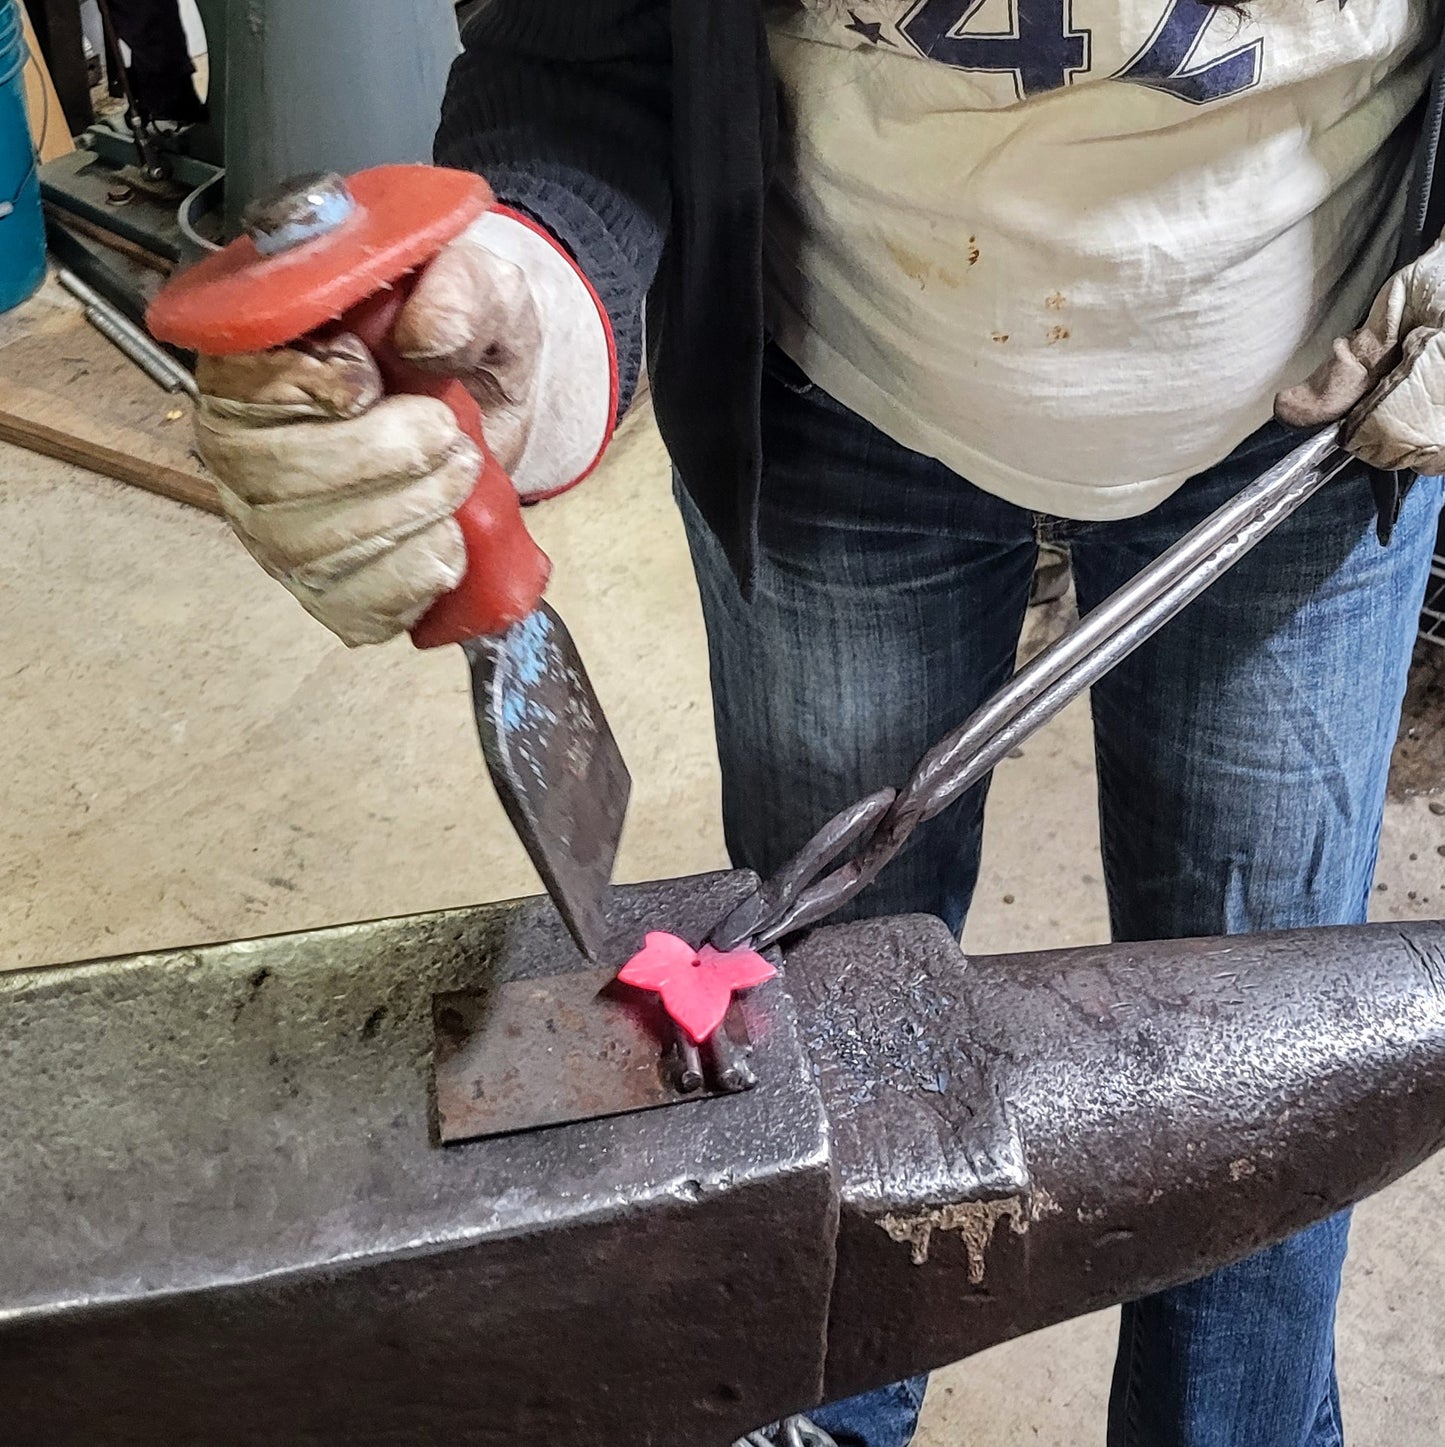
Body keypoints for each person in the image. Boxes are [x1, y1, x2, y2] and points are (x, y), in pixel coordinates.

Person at [191, 3, 1445, 1443]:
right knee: (812, 1060)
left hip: (1317, 388)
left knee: (1272, 1069)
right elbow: (579, 51)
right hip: (841, 387)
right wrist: (522, 296)